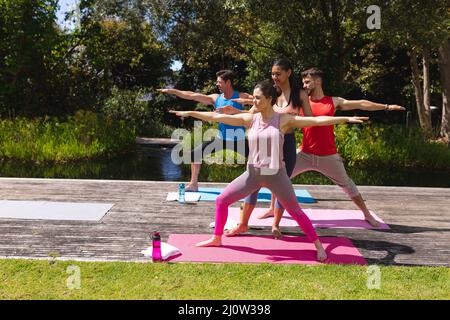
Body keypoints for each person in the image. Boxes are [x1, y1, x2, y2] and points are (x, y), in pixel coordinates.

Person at [170, 80, 369, 262]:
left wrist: (345, 119)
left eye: (257, 98)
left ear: (269, 100)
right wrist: (190, 114)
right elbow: (216, 115)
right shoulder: (250, 119)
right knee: (221, 200)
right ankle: (217, 238)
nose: (253, 101)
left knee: (297, 212)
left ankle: (318, 246)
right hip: (252, 175)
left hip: (277, 176)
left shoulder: (284, 120)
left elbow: (316, 121)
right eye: (253, 97)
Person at [227, 68, 405, 239]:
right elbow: (272, 110)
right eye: (303, 82)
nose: (304, 85)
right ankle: (273, 211)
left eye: (307, 81)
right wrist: (246, 108)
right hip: (305, 153)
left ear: (318, 81)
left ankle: (366, 214)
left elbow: (361, 103)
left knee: (347, 185)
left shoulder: (332, 101)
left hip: (328, 155)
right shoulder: (301, 101)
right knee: (281, 175)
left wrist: (387, 106)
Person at [158, 70, 252, 191]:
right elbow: (191, 95)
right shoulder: (215, 98)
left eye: (219, 82)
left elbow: (262, 101)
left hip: (238, 139)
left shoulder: (241, 96)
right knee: (194, 154)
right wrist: (172, 91)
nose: (217, 84)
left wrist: (244, 107)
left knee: (256, 160)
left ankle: (255, 186)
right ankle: (193, 184)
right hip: (221, 138)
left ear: (228, 82)